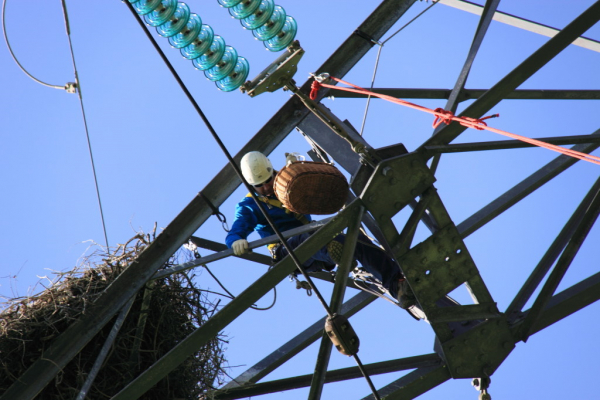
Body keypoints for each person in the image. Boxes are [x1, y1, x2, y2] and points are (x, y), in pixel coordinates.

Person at [225, 151, 415, 308]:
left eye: (268, 180)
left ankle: (397, 286)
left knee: (356, 240)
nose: (266, 187)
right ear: (251, 184)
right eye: (259, 185)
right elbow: (236, 230)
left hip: (318, 242)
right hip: (288, 252)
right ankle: (338, 256)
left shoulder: (287, 181)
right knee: (311, 237)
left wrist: (300, 174)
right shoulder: (250, 205)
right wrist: (235, 242)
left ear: (272, 171)